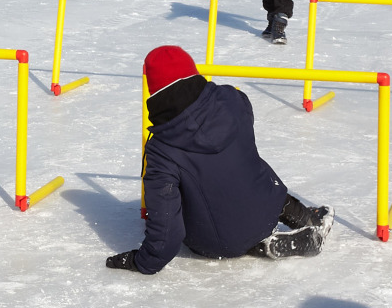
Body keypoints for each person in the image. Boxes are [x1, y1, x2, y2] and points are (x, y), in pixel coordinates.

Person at [106, 45, 334, 276]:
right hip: (267, 206)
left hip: (218, 242)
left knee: (205, 190)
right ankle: (306, 219)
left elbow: (168, 233)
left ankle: (261, 245)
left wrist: (143, 261)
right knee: (247, 168)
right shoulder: (233, 99)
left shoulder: (162, 148)